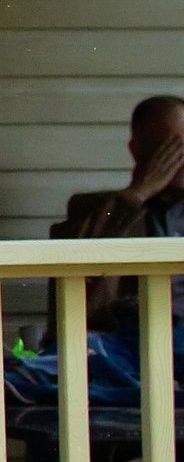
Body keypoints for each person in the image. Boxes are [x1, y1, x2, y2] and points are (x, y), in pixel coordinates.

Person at [53, 93, 184, 335]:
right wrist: (138, 194)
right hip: (127, 341)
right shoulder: (98, 209)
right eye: (172, 149)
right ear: (137, 150)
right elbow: (83, 258)